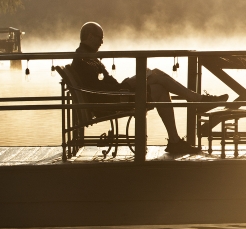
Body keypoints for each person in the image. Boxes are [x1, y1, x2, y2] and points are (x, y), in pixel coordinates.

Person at [71, 22, 226, 156]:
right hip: (113, 99)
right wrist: (126, 86)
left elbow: (102, 84)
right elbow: (101, 90)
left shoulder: (86, 57)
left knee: (157, 79)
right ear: (90, 36)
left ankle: (176, 138)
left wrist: (125, 84)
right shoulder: (85, 60)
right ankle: (197, 102)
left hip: (115, 94)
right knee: (157, 80)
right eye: (100, 37)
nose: (102, 42)